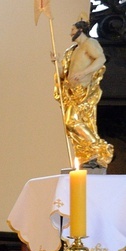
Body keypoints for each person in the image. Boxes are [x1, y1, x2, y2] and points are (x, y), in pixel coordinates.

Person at [54, 19, 113, 168]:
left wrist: (83, 73)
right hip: (72, 92)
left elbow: (101, 59)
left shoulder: (90, 44)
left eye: (73, 30)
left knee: (72, 121)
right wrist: (57, 62)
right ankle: (89, 152)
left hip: (84, 91)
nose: (70, 33)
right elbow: (64, 75)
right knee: (71, 123)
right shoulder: (73, 50)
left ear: (81, 30)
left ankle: (97, 147)